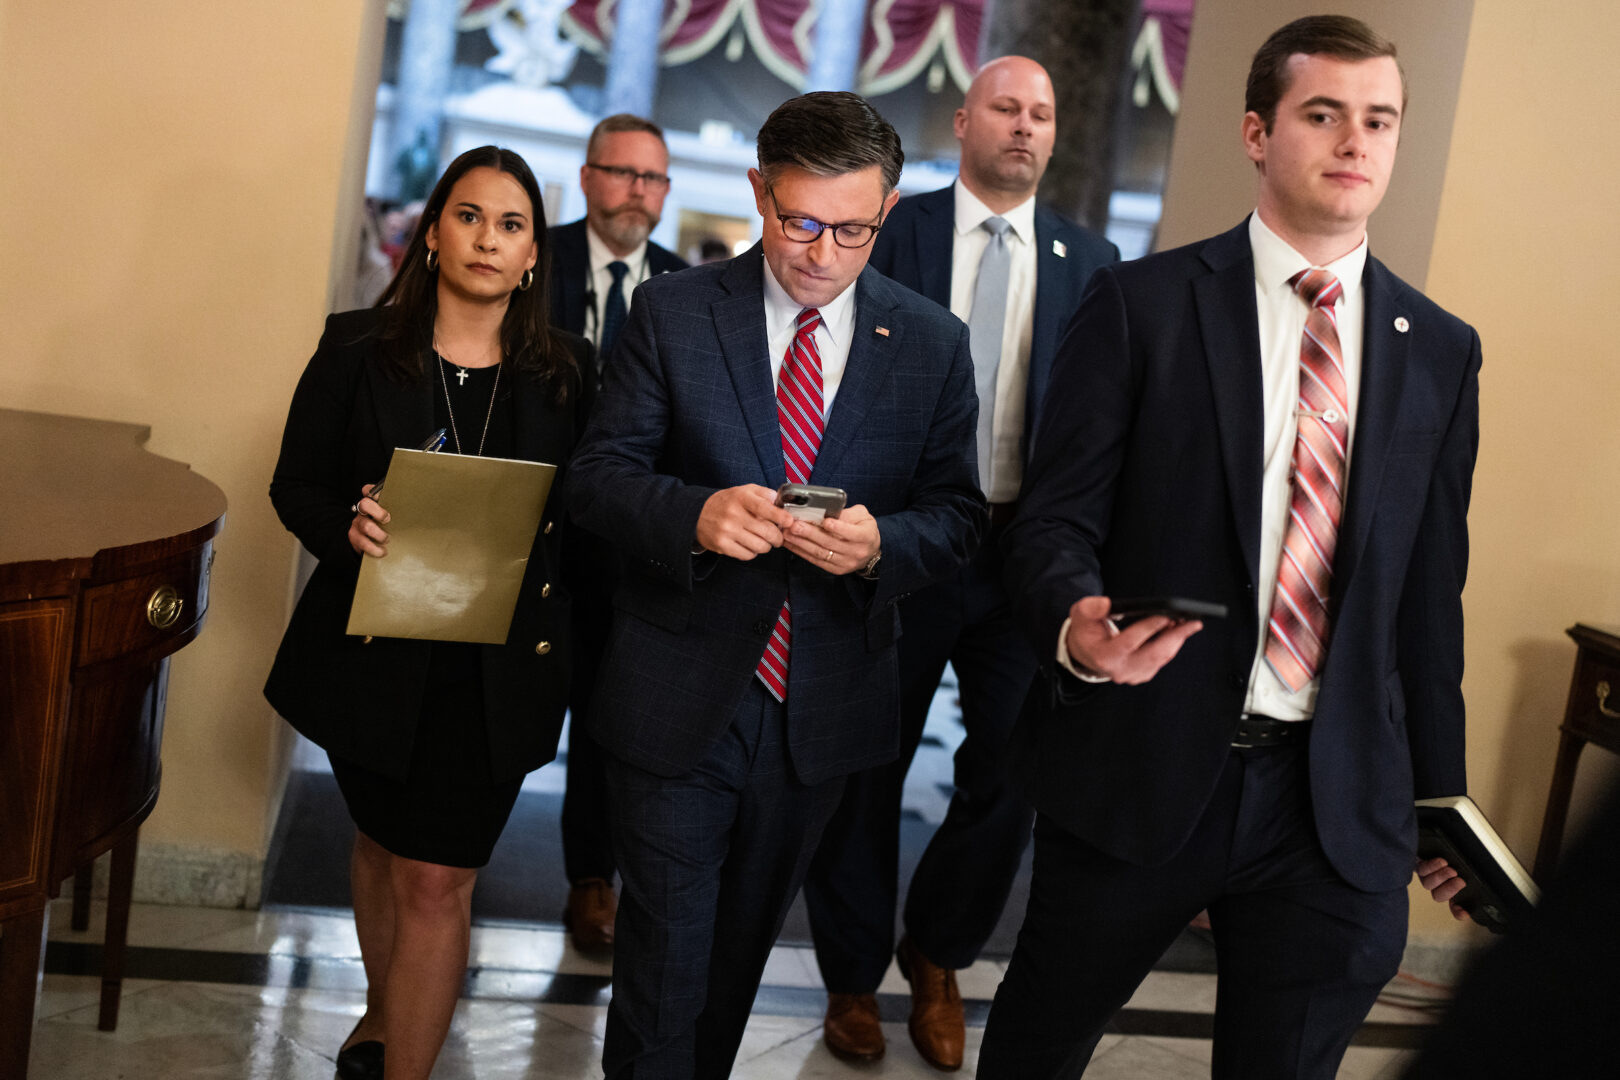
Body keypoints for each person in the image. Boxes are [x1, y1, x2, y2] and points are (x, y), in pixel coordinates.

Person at [978, 17, 1477, 1078]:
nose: (1355, 139)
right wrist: (1077, 619)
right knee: (1038, 1048)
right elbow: (1056, 520)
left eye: (1378, 119)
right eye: (1323, 113)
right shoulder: (1141, 304)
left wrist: (1442, 806)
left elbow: (1429, 598)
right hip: (1145, 762)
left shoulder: (1438, 347)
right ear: (1257, 132)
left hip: (1332, 800)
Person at [566, 91, 986, 1079]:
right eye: (801, 221)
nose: (823, 254)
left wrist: (884, 541)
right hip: (679, 693)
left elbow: (961, 517)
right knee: (665, 964)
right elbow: (597, 480)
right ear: (758, 191)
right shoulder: (674, 313)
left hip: (823, 707)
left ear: (884, 212)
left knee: (734, 962)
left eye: (854, 230)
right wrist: (694, 516)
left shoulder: (930, 344)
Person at [802, 55, 1117, 1070]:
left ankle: (937, 953)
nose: (1024, 127)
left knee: (1014, 775)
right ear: (963, 118)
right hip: (897, 538)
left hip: (1024, 554)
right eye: (1006, 108)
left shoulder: (1093, 259)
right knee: (866, 765)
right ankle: (851, 976)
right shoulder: (895, 231)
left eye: (1042, 113)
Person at [264, 145, 591, 1080]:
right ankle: (383, 1008)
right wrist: (349, 528)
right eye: (471, 216)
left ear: (534, 255)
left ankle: (404, 1063)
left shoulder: (572, 374)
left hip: (496, 671)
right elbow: (296, 486)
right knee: (377, 842)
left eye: (513, 224)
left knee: (439, 876)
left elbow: (592, 520)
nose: (490, 239)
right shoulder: (356, 349)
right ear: (434, 234)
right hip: (374, 656)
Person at [545, 113, 689, 951]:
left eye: (654, 179)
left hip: (630, 542)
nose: (639, 190)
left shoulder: (685, 289)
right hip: (534, 528)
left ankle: (592, 876)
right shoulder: (537, 260)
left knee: (609, 713)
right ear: (591, 176)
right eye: (624, 172)